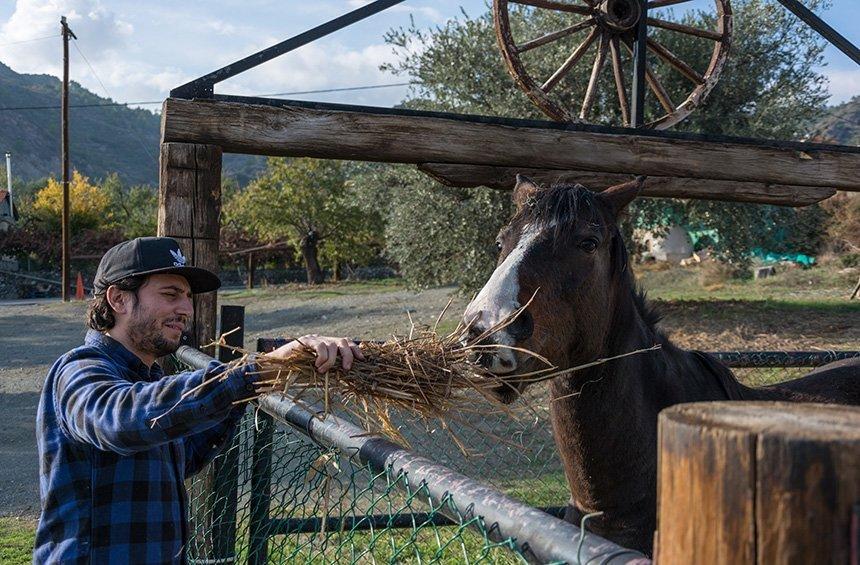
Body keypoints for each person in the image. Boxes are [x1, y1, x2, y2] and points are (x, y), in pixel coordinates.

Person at [33, 236, 362, 564]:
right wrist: (257, 370)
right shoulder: (79, 369)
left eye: (188, 297)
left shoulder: (149, 378)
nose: (186, 309)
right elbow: (118, 421)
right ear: (118, 299)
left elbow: (183, 457)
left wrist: (250, 388)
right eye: (170, 294)